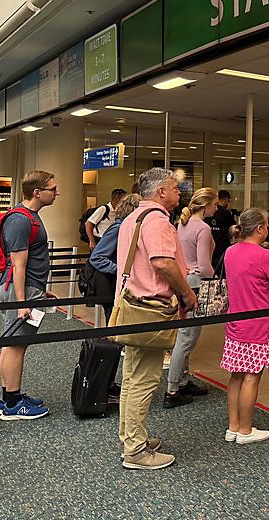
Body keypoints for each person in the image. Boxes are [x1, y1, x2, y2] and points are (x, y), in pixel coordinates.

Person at [117, 167, 197, 470]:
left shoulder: (133, 217)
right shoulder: (158, 220)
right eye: (176, 188)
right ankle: (136, 451)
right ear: (161, 191)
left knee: (132, 375)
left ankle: (131, 437)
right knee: (144, 379)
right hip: (150, 306)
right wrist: (187, 294)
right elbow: (162, 262)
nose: (180, 193)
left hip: (132, 303)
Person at [222, 208, 269, 444]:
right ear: (260, 229)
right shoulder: (266, 256)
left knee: (236, 376)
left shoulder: (230, 252)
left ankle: (233, 426)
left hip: (235, 322)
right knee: (252, 376)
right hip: (259, 324)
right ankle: (245, 429)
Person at [0, 170, 59, 420]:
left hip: (28, 287)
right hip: (20, 289)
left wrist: (39, 291)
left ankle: (9, 397)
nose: (56, 193)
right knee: (16, 344)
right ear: (37, 192)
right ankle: (12, 403)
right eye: (52, 189)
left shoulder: (29, 217)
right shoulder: (21, 220)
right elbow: (19, 265)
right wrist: (23, 303)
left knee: (12, 342)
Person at [164, 187, 218, 409]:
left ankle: (183, 381)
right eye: (215, 203)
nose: (217, 207)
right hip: (196, 283)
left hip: (183, 279)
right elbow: (204, 265)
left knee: (183, 335)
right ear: (206, 206)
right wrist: (217, 280)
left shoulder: (182, 224)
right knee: (187, 340)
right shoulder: (203, 228)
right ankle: (172, 389)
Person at [89, 193, 142, 322]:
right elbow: (97, 257)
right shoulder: (118, 229)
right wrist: (121, 270)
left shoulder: (126, 228)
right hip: (113, 285)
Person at [206, 190, 236, 266]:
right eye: (228, 201)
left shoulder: (207, 213)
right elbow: (233, 229)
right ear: (225, 200)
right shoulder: (226, 213)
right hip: (222, 248)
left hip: (208, 247)